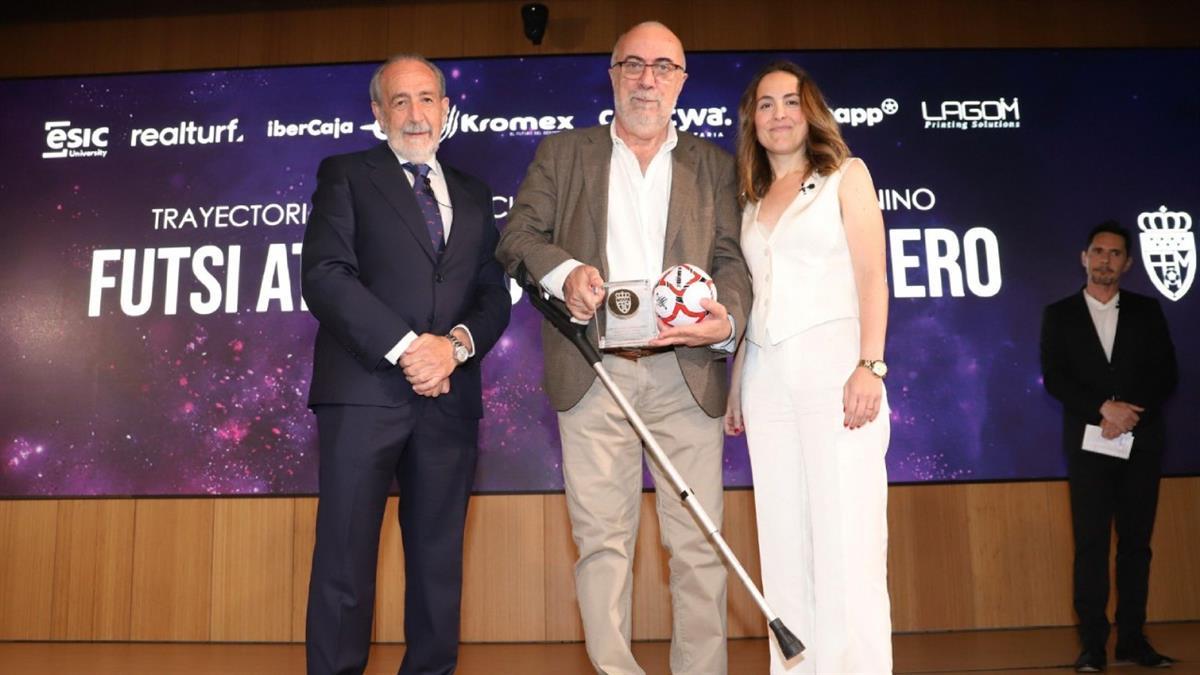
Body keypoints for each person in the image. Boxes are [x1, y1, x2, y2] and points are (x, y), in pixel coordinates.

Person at [496, 21, 751, 675]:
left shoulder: (716, 165)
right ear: (612, 75)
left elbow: (734, 264)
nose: (647, 79)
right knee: (602, 545)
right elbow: (517, 235)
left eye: (664, 67)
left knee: (697, 545)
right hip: (596, 370)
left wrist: (723, 320)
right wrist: (564, 275)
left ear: (681, 83)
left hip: (686, 373)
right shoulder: (564, 153)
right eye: (633, 65)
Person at [301, 54, 511, 675]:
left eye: (427, 99)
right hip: (362, 392)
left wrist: (456, 346)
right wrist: (410, 347)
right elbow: (326, 277)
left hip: (450, 397)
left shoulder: (473, 192)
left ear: (445, 109)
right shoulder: (345, 174)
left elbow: (492, 293)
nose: (415, 113)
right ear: (377, 112)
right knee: (344, 557)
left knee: (438, 559)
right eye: (400, 101)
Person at [724, 61, 893, 674]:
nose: (778, 114)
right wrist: (738, 382)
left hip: (837, 369)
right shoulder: (747, 197)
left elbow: (873, 274)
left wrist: (870, 365)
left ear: (811, 110)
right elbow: (752, 294)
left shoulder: (847, 175)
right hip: (766, 377)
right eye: (765, 104)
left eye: (790, 101)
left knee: (845, 540)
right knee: (784, 542)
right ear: (753, 119)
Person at [1040, 221, 1178, 673]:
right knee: (1091, 545)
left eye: (1115, 254)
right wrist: (1102, 408)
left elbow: (1167, 375)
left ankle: (1133, 640)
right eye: (1098, 251)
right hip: (1088, 446)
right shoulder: (1059, 314)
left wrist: (1128, 414)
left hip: (1141, 443)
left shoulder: (1147, 310)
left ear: (1128, 263)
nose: (1105, 260)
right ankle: (1093, 645)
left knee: (1137, 545)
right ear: (1084, 257)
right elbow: (1055, 378)